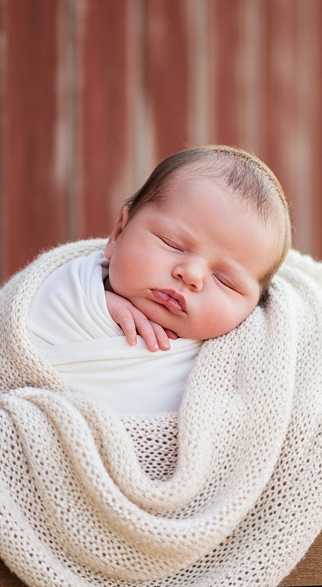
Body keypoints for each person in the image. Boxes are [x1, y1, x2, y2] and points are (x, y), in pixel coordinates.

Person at [27, 145, 292, 414]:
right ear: (118, 233)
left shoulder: (247, 357)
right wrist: (92, 302)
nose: (191, 275)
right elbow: (20, 329)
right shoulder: (68, 285)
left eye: (225, 280)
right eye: (172, 244)